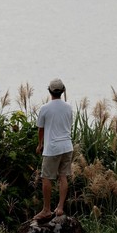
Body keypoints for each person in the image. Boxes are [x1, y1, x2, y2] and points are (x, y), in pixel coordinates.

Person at [33, 78, 73, 221]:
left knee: (46, 178)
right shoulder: (69, 107)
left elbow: (41, 129)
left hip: (53, 148)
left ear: (49, 91)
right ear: (63, 91)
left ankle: (46, 209)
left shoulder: (45, 108)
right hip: (67, 146)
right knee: (63, 176)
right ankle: (60, 208)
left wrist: (40, 144)